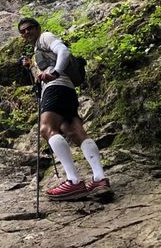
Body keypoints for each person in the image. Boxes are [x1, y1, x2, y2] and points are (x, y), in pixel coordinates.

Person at [18, 17, 112, 200]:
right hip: (67, 90)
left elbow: (63, 50)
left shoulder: (45, 37)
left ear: (37, 28)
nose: (26, 32)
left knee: (46, 129)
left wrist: (55, 72)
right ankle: (100, 179)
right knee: (74, 130)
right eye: (22, 31)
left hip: (56, 88)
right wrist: (32, 67)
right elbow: (43, 72)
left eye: (29, 28)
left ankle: (74, 182)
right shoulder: (38, 50)